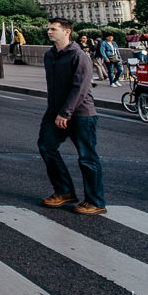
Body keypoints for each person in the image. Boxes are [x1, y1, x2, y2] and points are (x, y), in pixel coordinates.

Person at [39, 18, 106, 215]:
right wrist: (55, 112)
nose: (49, 32)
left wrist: (65, 112)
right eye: (49, 29)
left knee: (87, 157)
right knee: (46, 146)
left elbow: (81, 89)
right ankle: (65, 191)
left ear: (67, 32)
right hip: (56, 112)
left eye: (53, 29)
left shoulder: (79, 56)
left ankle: (95, 201)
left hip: (81, 114)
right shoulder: (49, 55)